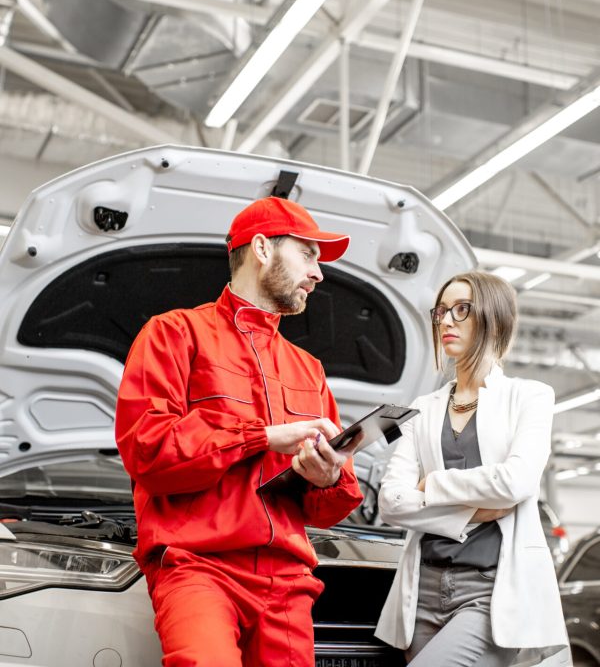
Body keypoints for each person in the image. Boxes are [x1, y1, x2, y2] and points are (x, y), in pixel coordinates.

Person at [115, 195, 363, 667]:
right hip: (198, 567)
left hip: (289, 583)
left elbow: (329, 507)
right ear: (263, 248)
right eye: (308, 254)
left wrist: (328, 476)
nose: (319, 273)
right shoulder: (172, 335)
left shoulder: (308, 369)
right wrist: (262, 437)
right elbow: (150, 452)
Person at [375, 271, 571, 667]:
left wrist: (432, 484)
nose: (446, 321)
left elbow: (515, 481)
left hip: (490, 592)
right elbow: (391, 502)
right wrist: (474, 509)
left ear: (494, 319)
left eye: (462, 309)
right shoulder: (421, 408)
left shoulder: (530, 397)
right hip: (423, 590)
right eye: (442, 311)